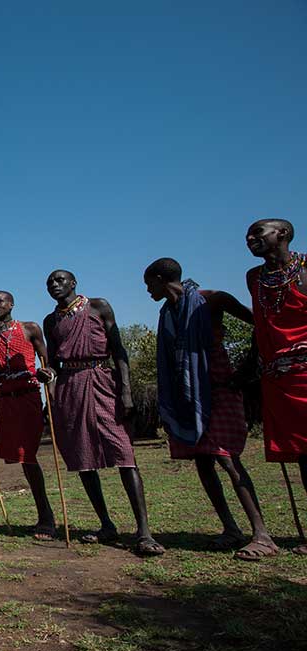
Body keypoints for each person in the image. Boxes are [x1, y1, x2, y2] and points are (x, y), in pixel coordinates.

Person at [144, 258, 276, 559]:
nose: (148, 290)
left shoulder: (212, 300)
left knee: (227, 459)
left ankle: (262, 534)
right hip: (185, 394)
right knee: (202, 461)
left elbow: (261, 324)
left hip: (218, 385)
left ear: (162, 278)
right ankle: (230, 528)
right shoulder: (167, 313)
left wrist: (248, 367)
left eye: (149, 283)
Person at [43, 272, 165, 556]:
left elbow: (119, 351)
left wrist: (126, 392)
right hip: (70, 389)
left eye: (60, 280)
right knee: (83, 458)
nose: (54, 285)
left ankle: (144, 532)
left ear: (74, 283)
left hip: (102, 381)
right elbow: (53, 362)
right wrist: (47, 372)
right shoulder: (51, 321)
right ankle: (106, 524)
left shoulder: (99, 306)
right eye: (49, 282)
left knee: (124, 454)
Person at [0, 291, 59, 540]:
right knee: (24, 458)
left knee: (29, 456)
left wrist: (50, 383)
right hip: (5, 402)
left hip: (30, 397)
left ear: (11, 304)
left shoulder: (30, 329)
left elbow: (49, 363)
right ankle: (45, 515)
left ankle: (46, 517)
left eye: (0, 301)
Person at [245, 218, 307, 555]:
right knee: (303, 457)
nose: (250, 238)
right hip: (279, 379)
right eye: (248, 235)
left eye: (258, 232)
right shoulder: (255, 278)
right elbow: (260, 326)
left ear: (282, 234)